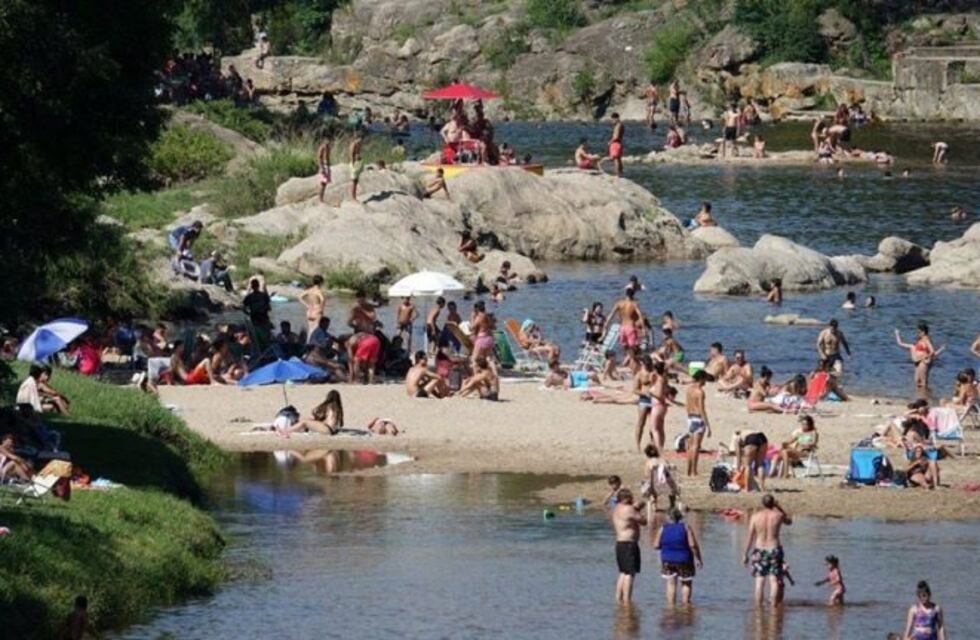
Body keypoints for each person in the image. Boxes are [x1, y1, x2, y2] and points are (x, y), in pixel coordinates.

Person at [744, 494, 792, 606]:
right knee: (773, 580)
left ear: (762, 503)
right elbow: (789, 521)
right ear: (773, 503)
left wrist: (745, 553)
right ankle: (773, 607)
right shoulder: (778, 515)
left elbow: (750, 536)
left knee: (759, 580)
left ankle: (758, 608)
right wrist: (779, 507)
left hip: (759, 550)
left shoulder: (755, 517)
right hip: (774, 549)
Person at [653, 509, 703, 605]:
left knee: (671, 583)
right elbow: (692, 545)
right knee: (686, 583)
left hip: (667, 560)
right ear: (680, 517)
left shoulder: (663, 528)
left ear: (668, 517)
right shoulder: (686, 527)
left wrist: (666, 546)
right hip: (684, 559)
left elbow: (656, 545)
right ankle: (685, 607)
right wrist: (698, 558)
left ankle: (671, 607)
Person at [612, 488, 647, 603]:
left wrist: (636, 507)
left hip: (620, 543)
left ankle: (618, 599)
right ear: (626, 499)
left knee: (623, 572)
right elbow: (643, 521)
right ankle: (627, 601)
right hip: (628, 544)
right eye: (631, 497)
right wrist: (638, 509)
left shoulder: (616, 508)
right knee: (630, 573)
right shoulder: (628, 509)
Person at [895, 323, 944, 396]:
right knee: (917, 381)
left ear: (923, 332)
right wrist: (897, 334)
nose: (918, 333)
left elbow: (932, 351)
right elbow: (900, 343)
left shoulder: (926, 339)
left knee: (923, 381)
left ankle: (925, 397)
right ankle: (920, 396)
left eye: (919, 332)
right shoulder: (919, 341)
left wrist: (925, 357)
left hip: (923, 362)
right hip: (917, 362)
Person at [603, 288, 644, 364]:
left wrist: (606, 324)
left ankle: (626, 361)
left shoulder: (619, 303)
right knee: (633, 348)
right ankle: (630, 362)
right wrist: (643, 329)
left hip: (622, 328)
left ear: (626, 294)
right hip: (630, 327)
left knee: (625, 347)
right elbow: (640, 315)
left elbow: (611, 314)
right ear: (633, 295)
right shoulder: (634, 304)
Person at [279, 390, 344, 436]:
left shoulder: (331, 406)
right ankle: (297, 430)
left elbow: (317, 412)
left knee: (304, 422)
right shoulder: (338, 408)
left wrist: (315, 414)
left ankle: (285, 431)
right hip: (331, 429)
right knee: (308, 421)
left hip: (327, 429)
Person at [685, 370, 712, 476]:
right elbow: (701, 409)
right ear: (701, 379)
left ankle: (689, 470)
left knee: (691, 446)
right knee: (696, 446)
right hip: (697, 418)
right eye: (705, 379)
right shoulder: (700, 392)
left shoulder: (689, 389)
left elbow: (687, 405)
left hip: (690, 418)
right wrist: (708, 425)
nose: (705, 381)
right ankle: (694, 471)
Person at [600, 112, 625, 178]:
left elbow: (616, 137)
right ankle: (621, 173)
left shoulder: (618, 126)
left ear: (615, 118)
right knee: (618, 159)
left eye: (612, 120)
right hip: (619, 143)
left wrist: (610, 142)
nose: (612, 122)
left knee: (615, 159)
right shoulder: (621, 125)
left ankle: (601, 161)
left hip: (615, 143)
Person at [349, 130, 364, 200]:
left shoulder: (359, 144)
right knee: (354, 180)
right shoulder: (353, 144)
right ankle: (353, 197)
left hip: (358, 162)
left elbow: (358, 153)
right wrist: (353, 164)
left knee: (356, 180)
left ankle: (354, 196)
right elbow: (351, 155)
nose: (361, 140)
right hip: (354, 163)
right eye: (360, 138)